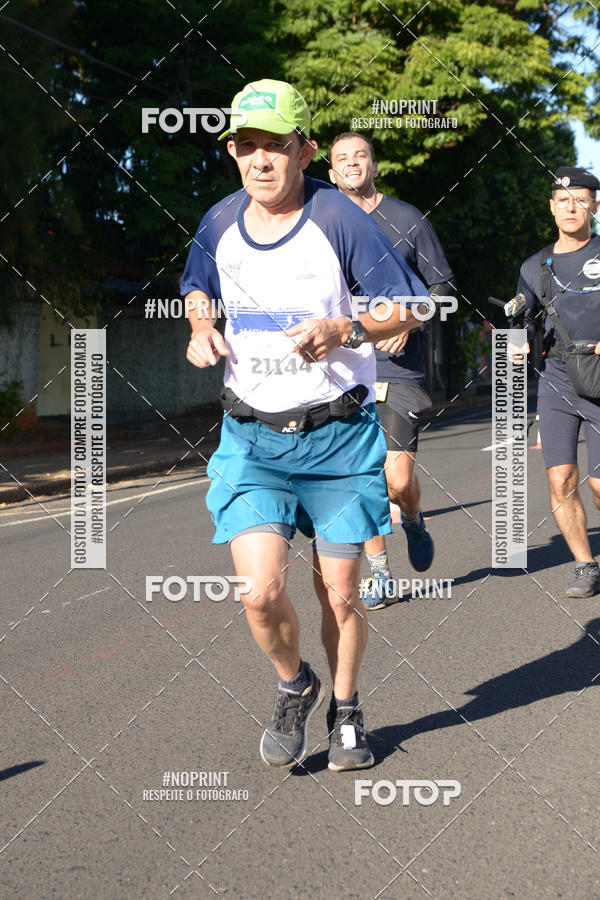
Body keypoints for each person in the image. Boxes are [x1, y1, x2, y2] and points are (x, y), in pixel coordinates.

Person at [181, 80, 429, 770]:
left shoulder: (341, 219)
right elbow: (197, 284)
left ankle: (346, 710)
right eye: (246, 145)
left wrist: (346, 326)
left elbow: (407, 309)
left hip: (338, 438)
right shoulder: (219, 220)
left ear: (305, 149)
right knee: (259, 592)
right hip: (252, 437)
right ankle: (297, 685)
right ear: (232, 150)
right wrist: (201, 325)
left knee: (341, 591)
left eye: (275, 146)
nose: (260, 159)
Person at [328, 132, 455, 609]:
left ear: (374, 167)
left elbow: (443, 290)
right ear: (332, 172)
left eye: (361, 155)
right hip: (343, 368)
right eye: (342, 158)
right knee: (363, 475)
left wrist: (412, 318)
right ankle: (379, 573)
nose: (353, 163)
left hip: (399, 369)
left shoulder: (407, 219)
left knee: (397, 480)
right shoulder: (320, 224)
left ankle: (415, 517)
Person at [515, 165, 600, 598]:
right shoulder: (534, 266)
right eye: (563, 200)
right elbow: (521, 320)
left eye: (581, 199)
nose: (572, 207)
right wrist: (517, 343)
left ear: (595, 206)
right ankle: (586, 565)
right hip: (557, 384)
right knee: (561, 479)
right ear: (551, 207)